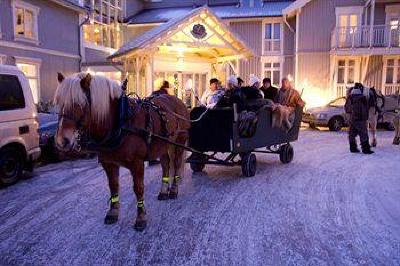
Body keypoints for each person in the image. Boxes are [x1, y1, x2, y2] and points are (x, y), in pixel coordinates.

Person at [345, 83, 374, 154]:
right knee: (363, 134)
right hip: (360, 119)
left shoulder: (350, 98)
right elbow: (365, 109)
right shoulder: (362, 98)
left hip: (352, 119)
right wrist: (365, 117)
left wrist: (350, 115)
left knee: (351, 134)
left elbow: (346, 108)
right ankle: (366, 149)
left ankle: (353, 148)